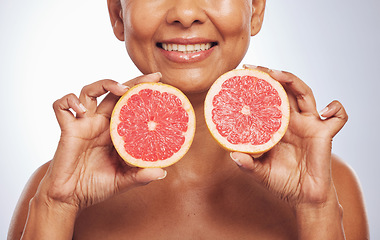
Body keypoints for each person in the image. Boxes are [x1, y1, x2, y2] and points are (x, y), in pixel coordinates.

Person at [8, 0, 369, 239]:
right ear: (118, 15)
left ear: (255, 9)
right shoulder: (55, 187)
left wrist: (316, 211)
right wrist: (57, 207)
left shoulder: (329, 186)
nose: (185, 13)